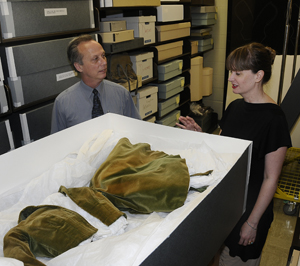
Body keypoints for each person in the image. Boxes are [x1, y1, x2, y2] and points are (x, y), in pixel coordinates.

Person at [177, 42, 291, 265]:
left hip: (251, 208)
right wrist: (201, 135)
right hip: (227, 201)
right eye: (231, 71)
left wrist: (252, 222)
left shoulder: (274, 119)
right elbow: (224, 150)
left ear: (258, 76)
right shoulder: (235, 108)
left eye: (238, 73)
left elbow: (271, 178)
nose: (230, 78)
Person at [51, 34, 141, 133]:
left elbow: (137, 131)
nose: (104, 62)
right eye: (95, 59)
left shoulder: (122, 94)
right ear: (79, 67)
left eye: (103, 56)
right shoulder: (63, 103)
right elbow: (59, 143)